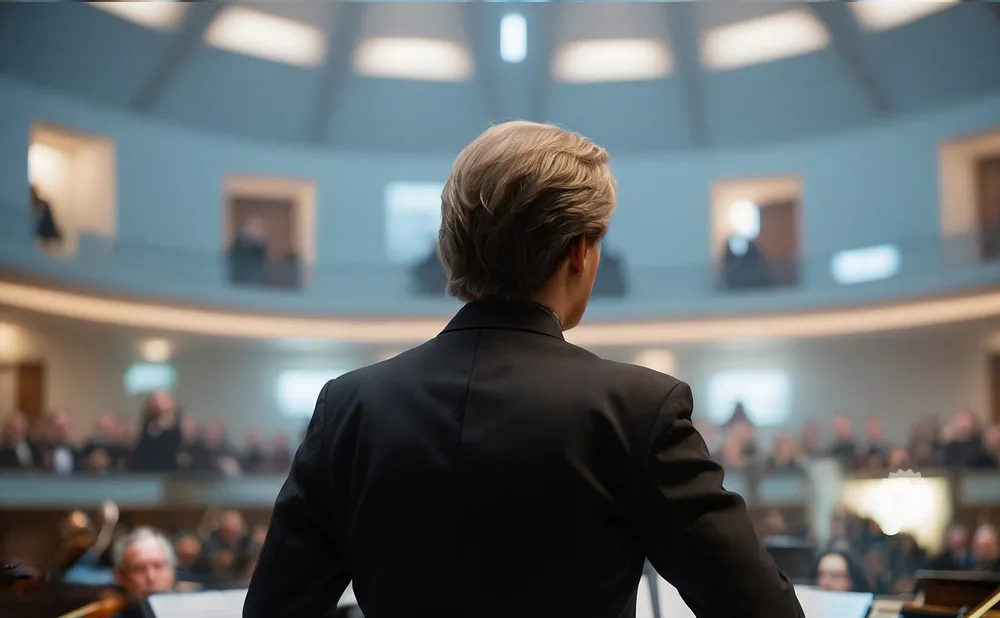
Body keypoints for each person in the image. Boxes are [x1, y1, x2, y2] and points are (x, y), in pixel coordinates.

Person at [244, 121, 804, 618]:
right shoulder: (638, 410)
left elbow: (275, 609)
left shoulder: (348, 408)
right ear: (579, 251)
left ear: (451, 248)